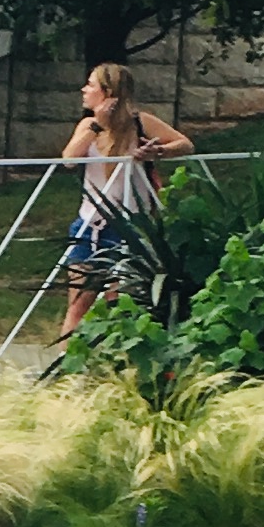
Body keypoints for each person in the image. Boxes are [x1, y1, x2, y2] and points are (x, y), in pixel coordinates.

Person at [60, 62, 192, 335]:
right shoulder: (88, 124)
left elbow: (185, 144)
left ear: (108, 92)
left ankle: (114, 363)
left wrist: (157, 151)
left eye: (91, 84)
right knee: (78, 302)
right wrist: (97, 125)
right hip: (88, 224)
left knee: (119, 302)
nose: (84, 89)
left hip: (128, 225)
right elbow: (69, 160)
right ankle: (66, 366)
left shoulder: (140, 122)